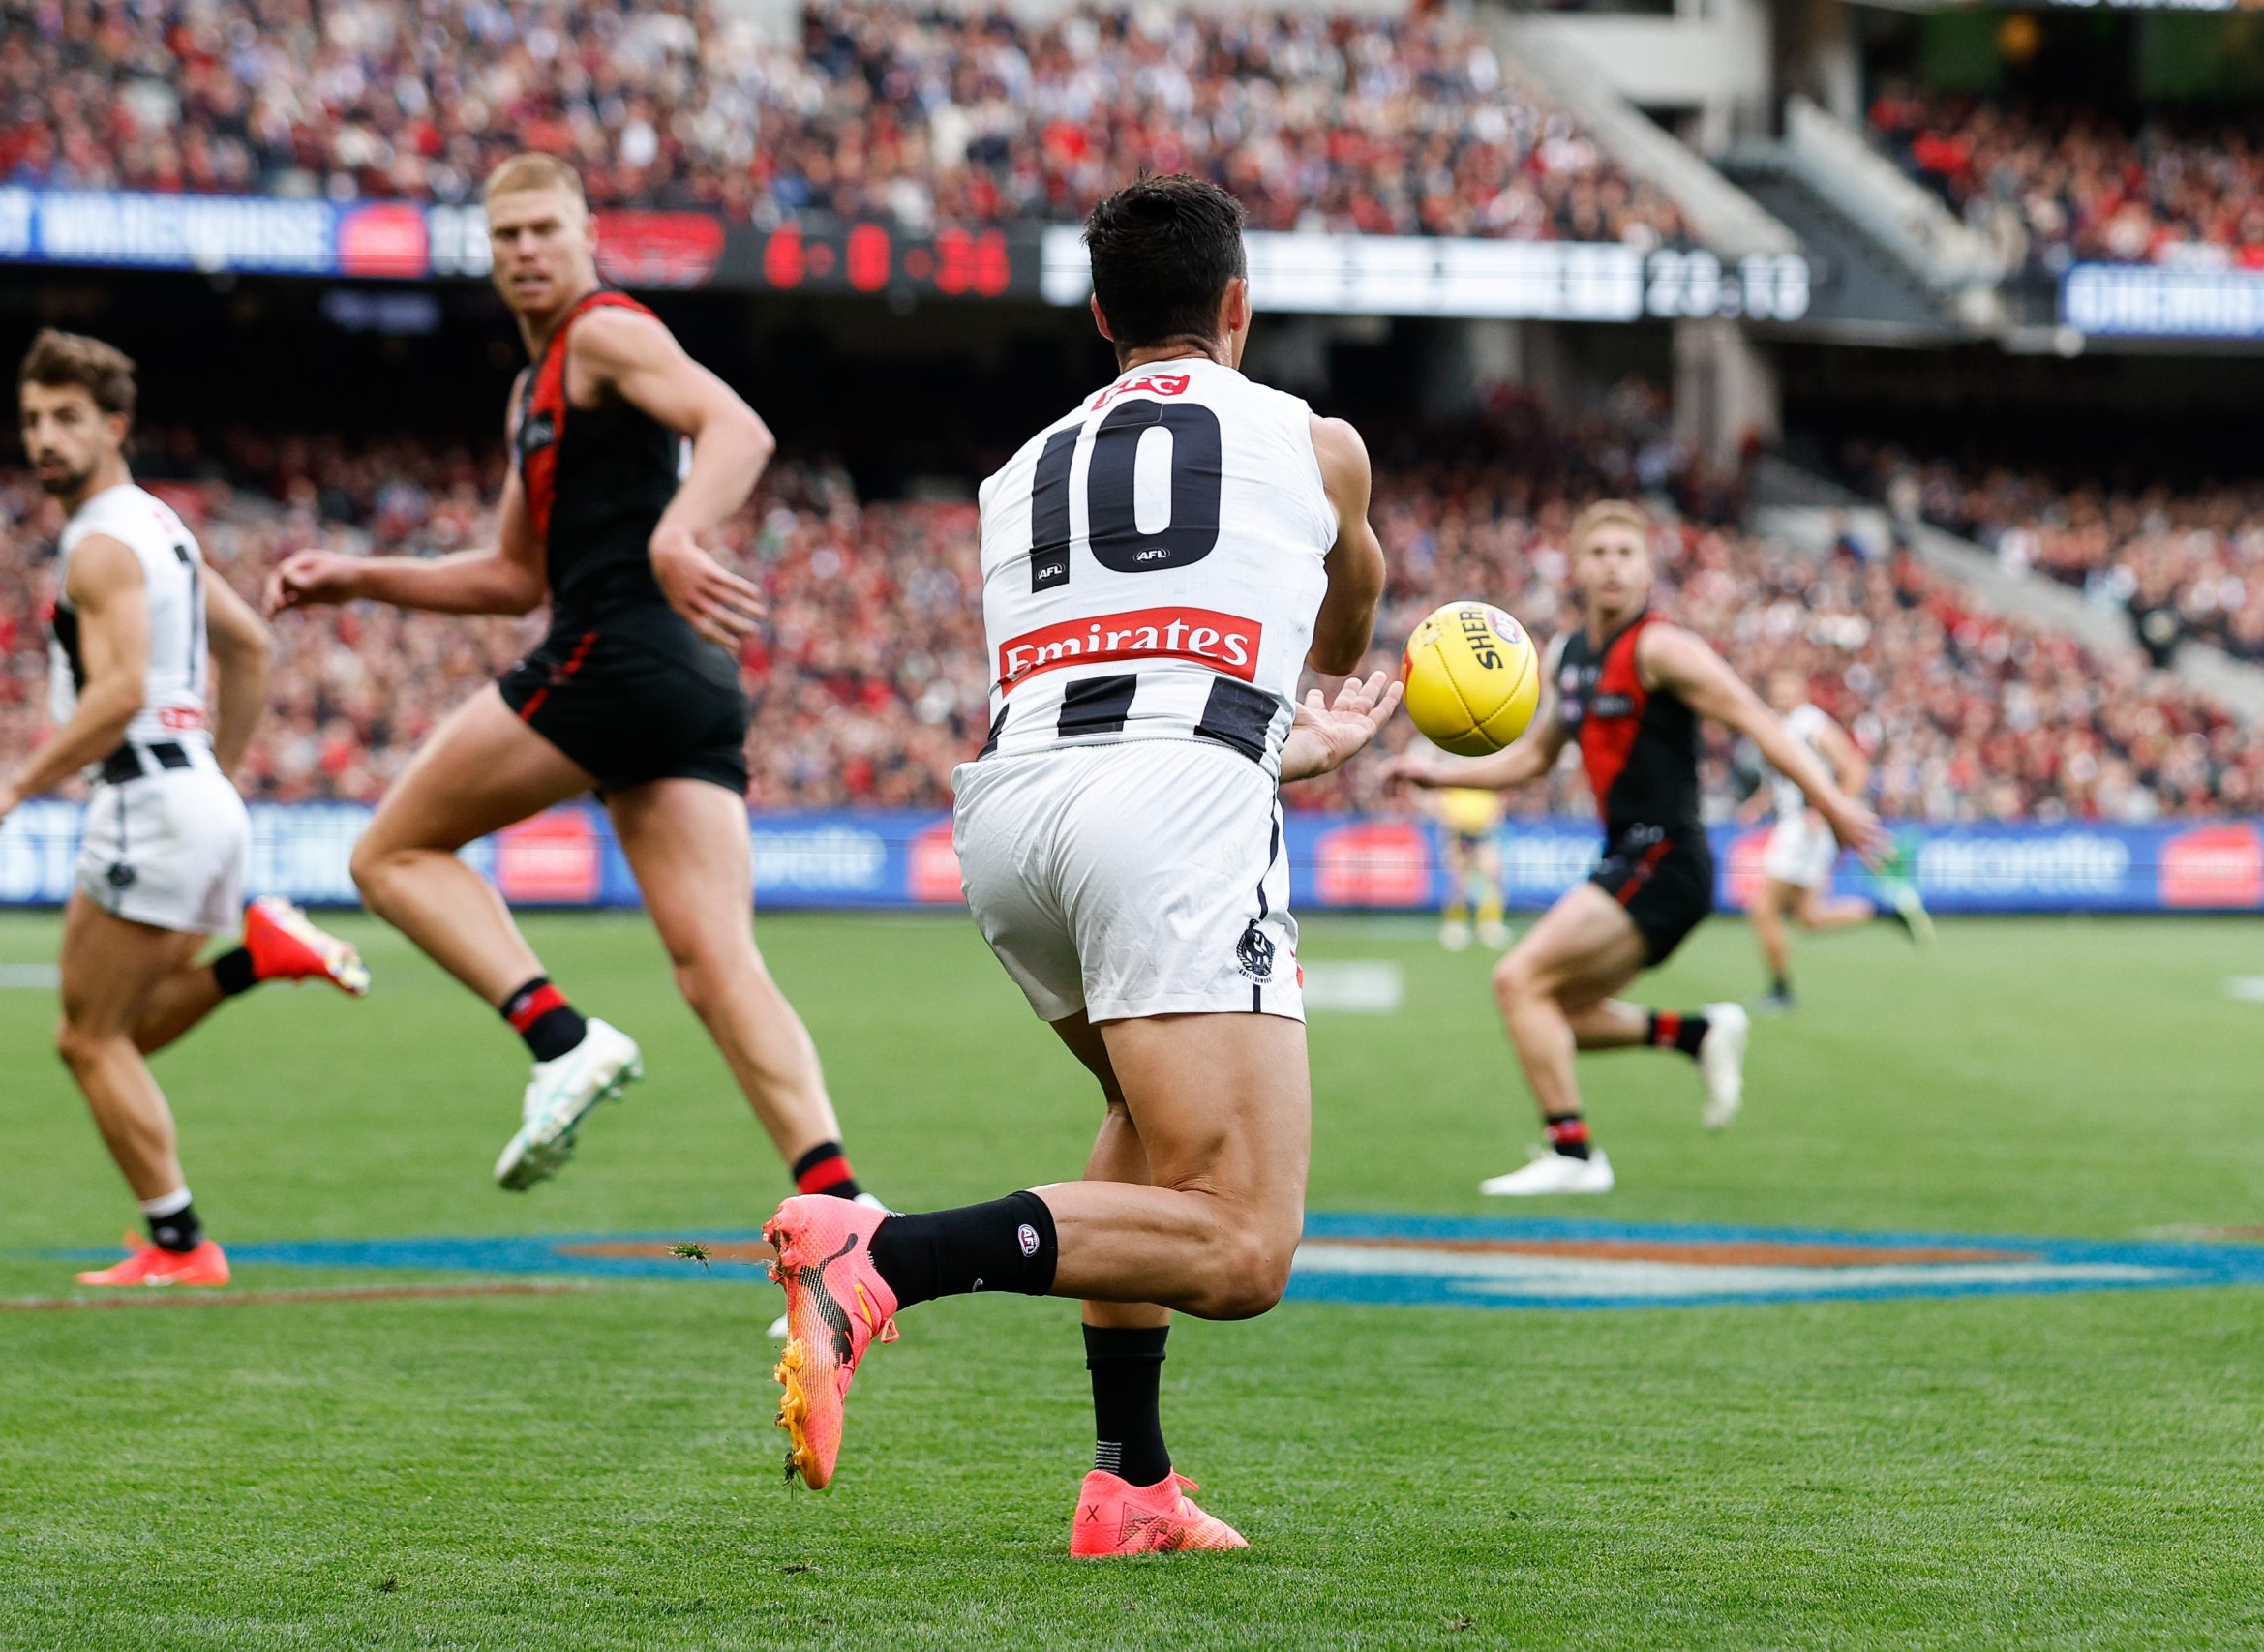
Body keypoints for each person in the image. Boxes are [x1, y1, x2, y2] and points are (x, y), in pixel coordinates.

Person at [758, 175, 1400, 1555]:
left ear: (1102, 315)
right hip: (1166, 811)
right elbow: (1349, 616)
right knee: (1240, 1245)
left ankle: (1131, 1481)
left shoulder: (1019, 469)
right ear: (1239, 306)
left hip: (1011, 813)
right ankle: (881, 1255)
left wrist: (1261, 748)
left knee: (1144, 1119)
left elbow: (1128, 676)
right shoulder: (1316, 438)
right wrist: (1321, 698)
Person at [266, 153, 875, 1217]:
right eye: (506, 238)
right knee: (715, 966)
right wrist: (359, 576)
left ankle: (560, 1035)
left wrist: (680, 531)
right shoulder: (531, 390)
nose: (526, 251)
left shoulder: (606, 332)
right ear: (489, 257)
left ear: (588, 232)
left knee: (389, 852)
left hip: (621, 655)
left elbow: (738, 429)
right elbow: (510, 577)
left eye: (545, 228)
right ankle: (844, 1207)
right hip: (684, 683)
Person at [0, 330, 369, 1286]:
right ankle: (260, 955)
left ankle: (181, 1246)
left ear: (115, 426)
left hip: (147, 800)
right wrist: (215, 776)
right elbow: (251, 650)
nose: (44, 438)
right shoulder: (161, 527)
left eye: (65, 418)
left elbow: (116, 692)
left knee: (86, 1037)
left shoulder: (99, 541)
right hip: (197, 800)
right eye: (30, 420)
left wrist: (10, 790)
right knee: (123, 1034)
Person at [1392, 501, 1882, 1196]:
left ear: (1648, 568)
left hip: (1667, 858)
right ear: (1577, 567)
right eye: (1599, 553)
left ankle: (1575, 1152)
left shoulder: (1662, 648)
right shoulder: (1566, 656)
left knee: (1517, 980)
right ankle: (1696, 1033)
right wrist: (1439, 772)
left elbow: (1758, 720)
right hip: (1628, 858)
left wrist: (1833, 804)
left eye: (1627, 552)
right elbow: (1533, 759)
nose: (1613, 565)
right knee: (1554, 1014)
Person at [1739, 667, 1930, 1012]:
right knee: (1809, 918)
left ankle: (1781, 991)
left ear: (1803, 692)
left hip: (1805, 828)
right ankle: (1883, 912)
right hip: (1797, 824)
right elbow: (1784, 780)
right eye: (1777, 689)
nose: (1781, 696)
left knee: (1763, 908)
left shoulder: (1813, 726)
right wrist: (1758, 804)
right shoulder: (1781, 726)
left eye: (1788, 688)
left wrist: (1826, 810)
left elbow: (1856, 770)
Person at [1418, 757, 1510, 951]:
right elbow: (1440, 803)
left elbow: (1498, 803)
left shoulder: (1488, 775)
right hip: (1458, 835)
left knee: (1494, 876)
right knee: (1458, 882)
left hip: (1484, 834)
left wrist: (1494, 821)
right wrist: (1451, 826)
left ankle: (1489, 925)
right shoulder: (1454, 775)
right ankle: (1455, 925)